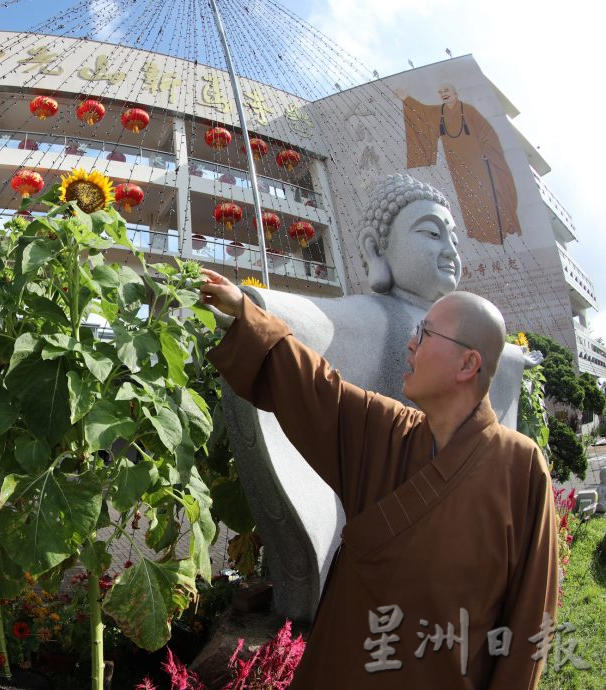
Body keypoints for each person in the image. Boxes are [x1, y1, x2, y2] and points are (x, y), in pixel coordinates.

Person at [200, 271, 558, 689]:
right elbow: (318, 390)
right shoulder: (389, 431)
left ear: (468, 363)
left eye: (424, 334)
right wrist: (245, 312)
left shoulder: (520, 467)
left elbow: (532, 614)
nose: (411, 343)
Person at [395, 84, 522, 245]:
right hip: (458, 166)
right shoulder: (439, 113)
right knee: (468, 198)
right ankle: (480, 233)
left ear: (456, 92)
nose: (443, 94)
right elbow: (422, 114)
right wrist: (406, 99)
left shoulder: (468, 110)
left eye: (446, 91)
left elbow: (487, 132)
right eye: (440, 92)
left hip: (479, 162)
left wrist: (487, 150)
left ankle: (498, 230)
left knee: (487, 194)